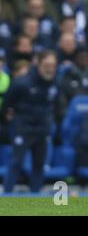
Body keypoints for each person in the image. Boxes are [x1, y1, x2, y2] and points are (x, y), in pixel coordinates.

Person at [1, 51, 59, 193]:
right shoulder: (21, 82)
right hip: (23, 128)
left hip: (42, 128)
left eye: (53, 66)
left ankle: (35, 198)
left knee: (39, 165)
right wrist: (8, 118)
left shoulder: (54, 83)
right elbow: (7, 103)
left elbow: (56, 105)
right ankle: (7, 195)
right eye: (47, 65)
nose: (50, 69)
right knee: (16, 163)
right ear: (37, 63)